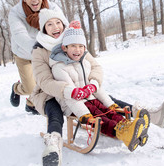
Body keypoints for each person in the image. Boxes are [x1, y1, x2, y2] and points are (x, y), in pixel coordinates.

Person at [29, 9, 164, 166]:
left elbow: (95, 67)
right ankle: (54, 145)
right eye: (49, 24)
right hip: (50, 93)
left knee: (107, 100)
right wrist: (72, 91)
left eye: (58, 22)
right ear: (44, 28)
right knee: (55, 112)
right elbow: (45, 82)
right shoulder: (39, 50)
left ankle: (152, 116)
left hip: (83, 89)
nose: (55, 27)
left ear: (63, 23)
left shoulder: (74, 39)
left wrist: (93, 85)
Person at [49, 20, 148, 151]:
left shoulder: (85, 63)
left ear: (85, 48)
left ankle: (129, 128)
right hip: (73, 105)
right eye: (73, 45)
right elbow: (69, 96)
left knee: (108, 111)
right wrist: (84, 114)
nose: (77, 50)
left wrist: (110, 103)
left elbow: (96, 88)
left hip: (90, 98)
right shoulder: (59, 68)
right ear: (64, 48)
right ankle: (121, 132)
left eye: (81, 46)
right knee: (99, 118)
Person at [8, 0, 68, 115]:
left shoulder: (52, 8)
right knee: (30, 88)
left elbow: (64, 25)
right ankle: (17, 88)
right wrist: (36, 49)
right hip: (24, 53)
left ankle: (31, 104)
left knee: (47, 83)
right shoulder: (16, 13)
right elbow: (19, 34)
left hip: (47, 51)